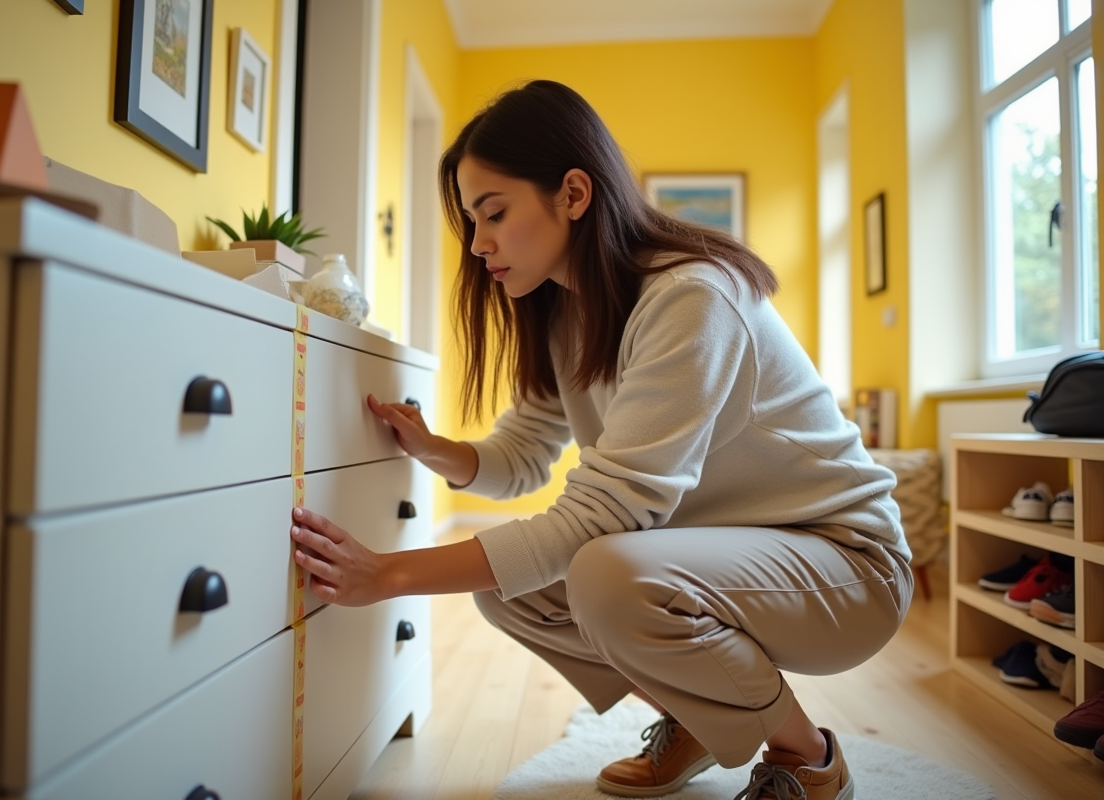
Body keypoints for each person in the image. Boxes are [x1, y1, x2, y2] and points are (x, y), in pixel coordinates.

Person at [289, 79, 912, 800]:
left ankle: (808, 757)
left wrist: (390, 574)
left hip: (848, 567)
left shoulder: (690, 296)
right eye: (470, 221)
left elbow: (611, 512)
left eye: (493, 213)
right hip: (728, 565)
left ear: (574, 194)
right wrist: (436, 450)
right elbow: (522, 458)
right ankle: (697, 717)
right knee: (511, 593)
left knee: (602, 572)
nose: (479, 243)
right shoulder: (565, 314)